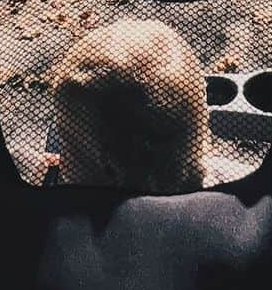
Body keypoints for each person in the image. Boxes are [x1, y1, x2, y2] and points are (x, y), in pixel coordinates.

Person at [51, 18, 208, 192]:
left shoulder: (72, 215)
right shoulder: (228, 191)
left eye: (66, 144)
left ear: (111, 170)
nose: (61, 157)